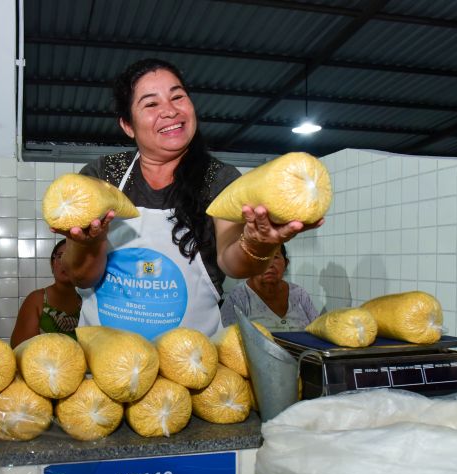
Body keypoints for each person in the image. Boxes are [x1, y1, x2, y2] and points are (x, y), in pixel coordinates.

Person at [54, 58, 322, 340]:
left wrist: (259, 243)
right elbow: (82, 277)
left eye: (177, 96)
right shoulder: (103, 177)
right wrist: (90, 243)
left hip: (194, 364)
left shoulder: (219, 179)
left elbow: (233, 263)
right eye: (151, 104)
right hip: (107, 361)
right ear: (127, 125)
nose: (170, 110)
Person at [220, 243, 319, 332]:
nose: (270, 264)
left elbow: (318, 329)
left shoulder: (299, 294)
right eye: (262, 258)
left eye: (275, 257)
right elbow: (229, 340)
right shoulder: (238, 297)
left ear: (286, 263)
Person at [10, 239, 81, 347]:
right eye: (61, 256)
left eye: (73, 257)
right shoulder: (37, 300)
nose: (66, 262)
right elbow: (21, 349)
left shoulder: (87, 303)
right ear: (52, 264)